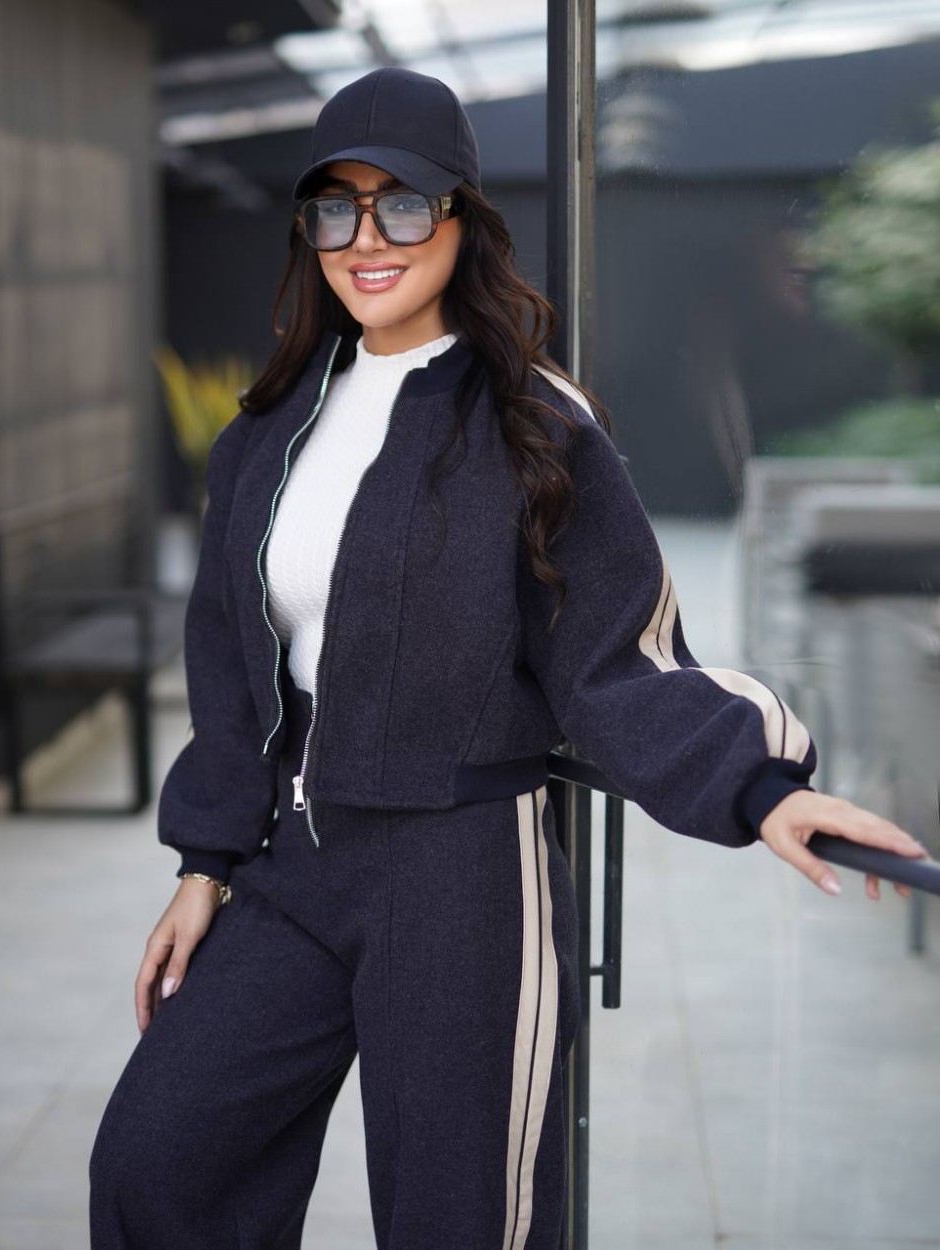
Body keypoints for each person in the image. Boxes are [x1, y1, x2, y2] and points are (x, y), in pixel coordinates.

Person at [88, 67, 927, 1250]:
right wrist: (204, 863)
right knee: (157, 1158)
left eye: (401, 204)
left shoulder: (533, 422)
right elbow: (231, 667)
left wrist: (762, 785)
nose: (366, 238)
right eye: (335, 208)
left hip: (462, 879)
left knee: (462, 1218)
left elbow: (615, 655)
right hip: (295, 863)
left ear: (462, 220)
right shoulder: (268, 429)